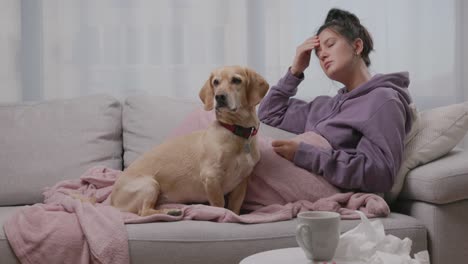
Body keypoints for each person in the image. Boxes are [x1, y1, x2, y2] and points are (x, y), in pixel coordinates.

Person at [258, 8, 414, 193]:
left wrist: (305, 154)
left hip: (321, 188)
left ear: (357, 46)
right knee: (220, 122)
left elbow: (380, 173)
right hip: (294, 180)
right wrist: (295, 71)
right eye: (318, 53)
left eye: (330, 44)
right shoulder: (324, 106)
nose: (322, 54)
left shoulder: (383, 101)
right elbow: (268, 113)